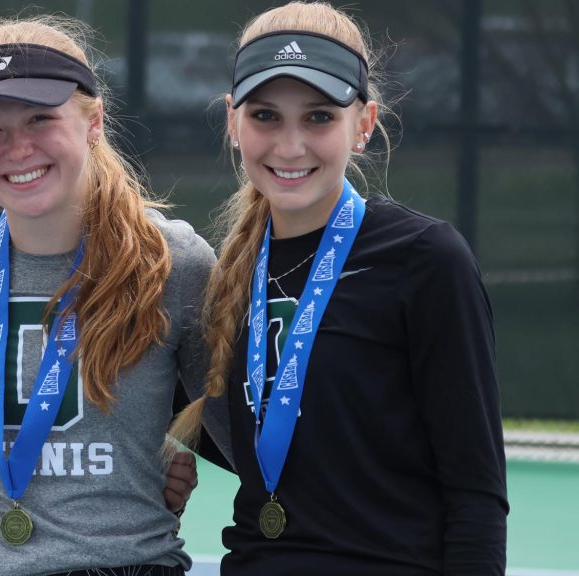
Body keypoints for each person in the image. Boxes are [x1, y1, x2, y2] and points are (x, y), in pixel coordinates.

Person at [170, 2, 509, 574]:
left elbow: (475, 493)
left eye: (320, 117)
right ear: (233, 123)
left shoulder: (425, 260)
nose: (291, 145)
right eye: (266, 116)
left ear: (365, 124)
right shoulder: (226, 275)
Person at [0, 14, 218, 576]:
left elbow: (227, 416)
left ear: (93, 121)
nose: (18, 148)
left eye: (39, 119)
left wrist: (178, 450)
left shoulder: (175, 260)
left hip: (125, 564)